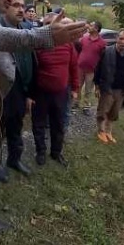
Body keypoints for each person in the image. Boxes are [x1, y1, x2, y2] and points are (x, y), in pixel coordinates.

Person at [0, 0, 86, 234]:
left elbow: (43, 65)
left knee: (9, 136)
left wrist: (66, 88)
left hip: (15, 92)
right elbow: (0, 38)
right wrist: (46, 35)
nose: (14, 0)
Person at [32, 13, 79, 167]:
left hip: (61, 92)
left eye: (51, 24)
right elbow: (32, 69)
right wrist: (29, 94)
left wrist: (75, 88)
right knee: (38, 123)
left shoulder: (68, 45)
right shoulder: (37, 44)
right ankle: (40, 152)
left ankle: (56, 152)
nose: (48, 27)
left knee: (58, 123)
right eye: (45, 24)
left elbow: (73, 67)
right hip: (41, 92)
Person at [0, 0, 36, 177]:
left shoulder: (26, 31)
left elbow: (32, 63)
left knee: (16, 127)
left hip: (20, 91)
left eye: (22, 5)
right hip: (0, 92)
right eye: (16, 5)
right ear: (5, 7)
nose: (21, 9)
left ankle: (14, 160)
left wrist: (29, 94)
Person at [94, 29, 124, 143]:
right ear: (117, 38)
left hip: (121, 88)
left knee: (114, 112)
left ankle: (108, 131)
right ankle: (101, 131)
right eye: (121, 38)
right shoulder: (106, 51)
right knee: (103, 110)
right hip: (108, 87)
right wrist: (97, 86)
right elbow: (98, 69)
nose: (123, 41)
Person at [76, 21, 106, 115]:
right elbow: (79, 49)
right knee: (78, 87)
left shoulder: (102, 43)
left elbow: (102, 58)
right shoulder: (84, 38)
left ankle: (86, 107)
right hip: (80, 68)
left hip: (92, 71)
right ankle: (75, 103)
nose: (88, 26)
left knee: (89, 89)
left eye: (91, 25)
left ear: (96, 29)